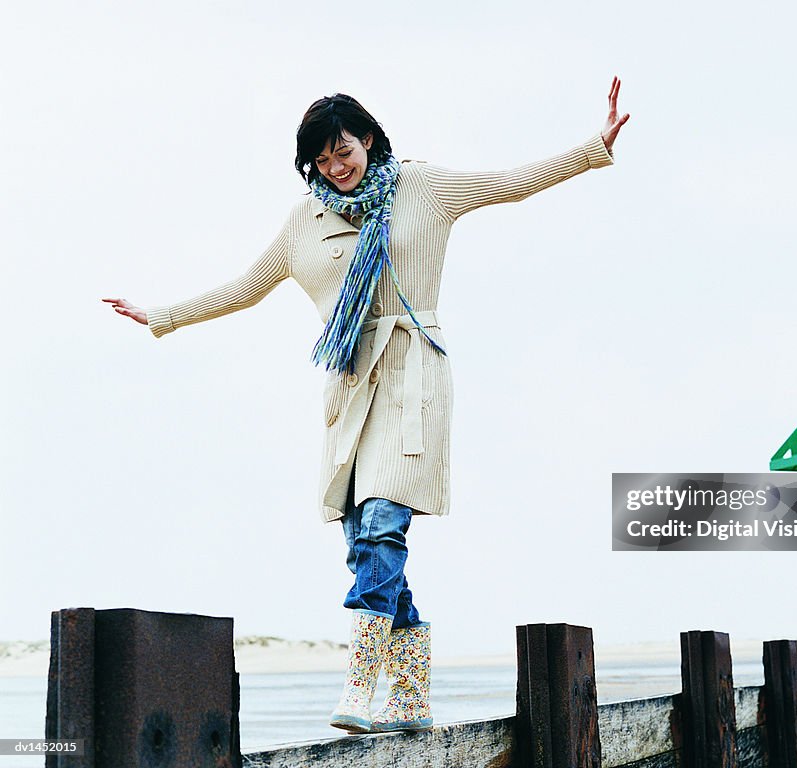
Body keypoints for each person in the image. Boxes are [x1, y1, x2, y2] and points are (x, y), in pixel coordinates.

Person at [104, 77, 629, 734]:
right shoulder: (306, 220)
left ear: (368, 138)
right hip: (351, 388)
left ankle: (361, 679)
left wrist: (593, 147)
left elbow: (510, 183)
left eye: (342, 150)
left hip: (413, 375)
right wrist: (162, 315)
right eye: (321, 161)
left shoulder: (423, 187)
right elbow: (245, 287)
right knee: (361, 542)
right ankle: (409, 695)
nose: (336, 167)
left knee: (383, 523)